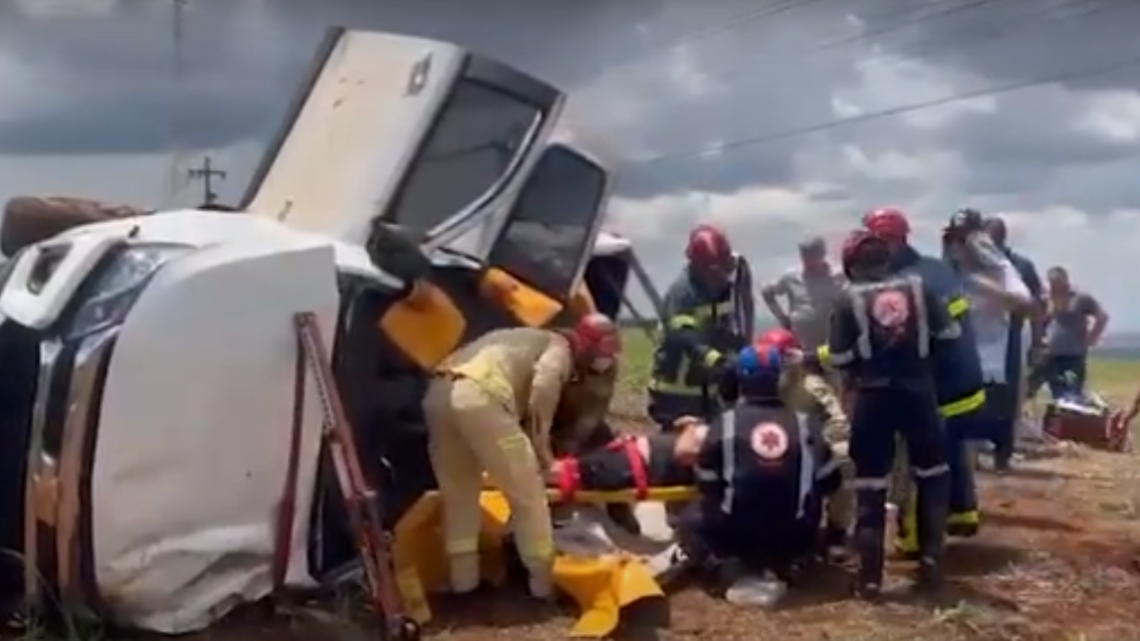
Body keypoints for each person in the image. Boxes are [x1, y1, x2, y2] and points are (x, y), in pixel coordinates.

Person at [422, 314, 621, 599]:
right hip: (482, 396)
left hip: (439, 393)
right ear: (586, 344)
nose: (606, 360)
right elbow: (543, 387)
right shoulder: (559, 348)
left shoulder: (526, 339)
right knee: (528, 493)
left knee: (459, 493)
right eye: (603, 353)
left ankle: (464, 584)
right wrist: (544, 455)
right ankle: (542, 583)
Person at [829, 228, 958, 598]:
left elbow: (839, 359)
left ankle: (870, 580)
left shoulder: (846, 299)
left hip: (873, 399)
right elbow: (948, 334)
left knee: (870, 484)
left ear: (852, 264)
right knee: (932, 476)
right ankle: (932, 564)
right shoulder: (920, 288)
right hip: (918, 393)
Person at [863, 207, 986, 550]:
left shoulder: (906, 281)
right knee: (949, 447)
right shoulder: (935, 268)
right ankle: (963, 513)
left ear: (890, 241)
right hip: (966, 380)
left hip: (942, 384)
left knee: (921, 458)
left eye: (873, 242)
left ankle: (915, 539)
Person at [941, 211, 1033, 475]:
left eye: (964, 239)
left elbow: (1024, 302)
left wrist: (978, 284)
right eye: (955, 240)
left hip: (991, 358)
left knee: (994, 417)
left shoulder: (1000, 268)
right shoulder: (946, 268)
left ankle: (998, 458)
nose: (958, 246)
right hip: (958, 356)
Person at [756, 327, 854, 557]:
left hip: (810, 451)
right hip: (771, 451)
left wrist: (821, 442)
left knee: (844, 457)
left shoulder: (812, 388)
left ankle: (836, 529)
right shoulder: (756, 385)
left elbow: (838, 421)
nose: (782, 365)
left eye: (785, 359)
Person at [648, 224, 751, 428]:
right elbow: (683, 337)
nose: (722, 272)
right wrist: (715, 360)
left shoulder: (721, 289)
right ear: (700, 266)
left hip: (706, 387)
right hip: (676, 390)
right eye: (716, 267)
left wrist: (741, 351)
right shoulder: (682, 292)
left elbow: (723, 327)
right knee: (678, 448)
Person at [984, 216, 1044, 467]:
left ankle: (1002, 454)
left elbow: (1037, 306)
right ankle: (974, 453)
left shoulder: (1020, 266)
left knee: (1006, 398)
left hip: (1010, 337)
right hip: (979, 338)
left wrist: (1038, 342)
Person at [1029, 266, 1109, 399]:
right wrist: (1039, 341)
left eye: (1058, 283)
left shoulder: (1081, 298)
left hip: (1072, 358)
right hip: (1049, 356)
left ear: (1066, 281)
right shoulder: (1047, 300)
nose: (1055, 288)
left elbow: (1102, 317)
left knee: (1069, 394)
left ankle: (1073, 418)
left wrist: (1091, 338)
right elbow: (1040, 322)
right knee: (1029, 388)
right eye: (1052, 284)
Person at [760, 235, 846, 352]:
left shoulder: (838, 276)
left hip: (832, 341)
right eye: (804, 255)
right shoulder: (791, 277)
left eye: (812, 255)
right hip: (803, 343)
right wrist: (782, 318)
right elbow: (767, 292)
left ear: (822, 254)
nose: (808, 260)